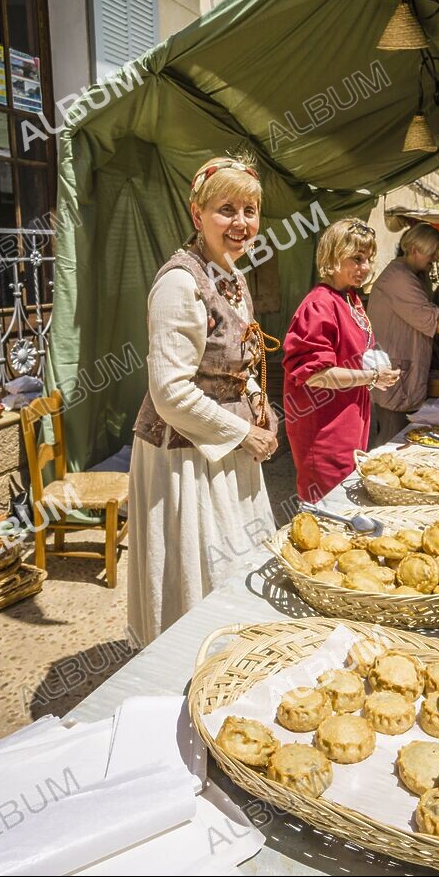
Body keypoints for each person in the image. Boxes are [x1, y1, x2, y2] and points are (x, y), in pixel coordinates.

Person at [127, 156, 279, 646]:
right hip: (185, 458)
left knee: (236, 561)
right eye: (226, 209)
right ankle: (186, 663)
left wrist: (260, 404)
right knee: (199, 570)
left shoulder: (232, 278)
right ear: (197, 215)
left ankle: (231, 655)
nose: (241, 223)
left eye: (250, 211)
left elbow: (237, 364)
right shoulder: (180, 283)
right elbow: (170, 391)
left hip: (226, 447)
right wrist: (243, 431)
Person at [283, 219, 399, 502]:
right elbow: (315, 374)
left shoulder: (350, 299)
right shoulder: (319, 304)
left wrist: (375, 369)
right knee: (327, 503)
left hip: (350, 419)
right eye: (357, 259)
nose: (366, 268)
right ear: (334, 255)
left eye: (369, 259)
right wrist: (371, 377)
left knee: (345, 498)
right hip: (324, 425)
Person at [367, 223, 439, 443]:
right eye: (433, 252)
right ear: (414, 249)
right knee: (391, 440)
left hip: (405, 372)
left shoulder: (409, 275)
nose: (436, 258)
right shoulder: (398, 278)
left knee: (400, 437)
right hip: (396, 376)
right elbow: (436, 320)